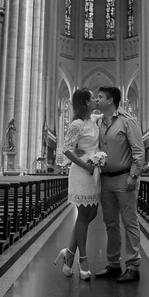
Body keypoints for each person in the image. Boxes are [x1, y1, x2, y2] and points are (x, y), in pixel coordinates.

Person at [93, 85, 145, 282]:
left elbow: (138, 151)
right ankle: (113, 263)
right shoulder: (99, 124)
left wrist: (133, 175)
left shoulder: (127, 121)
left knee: (130, 222)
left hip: (125, 179)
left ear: (111, 101)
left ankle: (133, 266)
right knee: (110, 224)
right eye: (96, 97)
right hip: (105, 180)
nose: (97, 100)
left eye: (100, 97)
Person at [53, 88, 101, 280]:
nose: (96, 100)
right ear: (85, 103)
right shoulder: (76, 124)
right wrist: (85, 164)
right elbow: (66, 149)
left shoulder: (93, 121)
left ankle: (69, 253)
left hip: (94, 171)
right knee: (83, 214)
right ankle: (83, 259)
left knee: (91, 213)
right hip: (82, 172)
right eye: (92, 98)